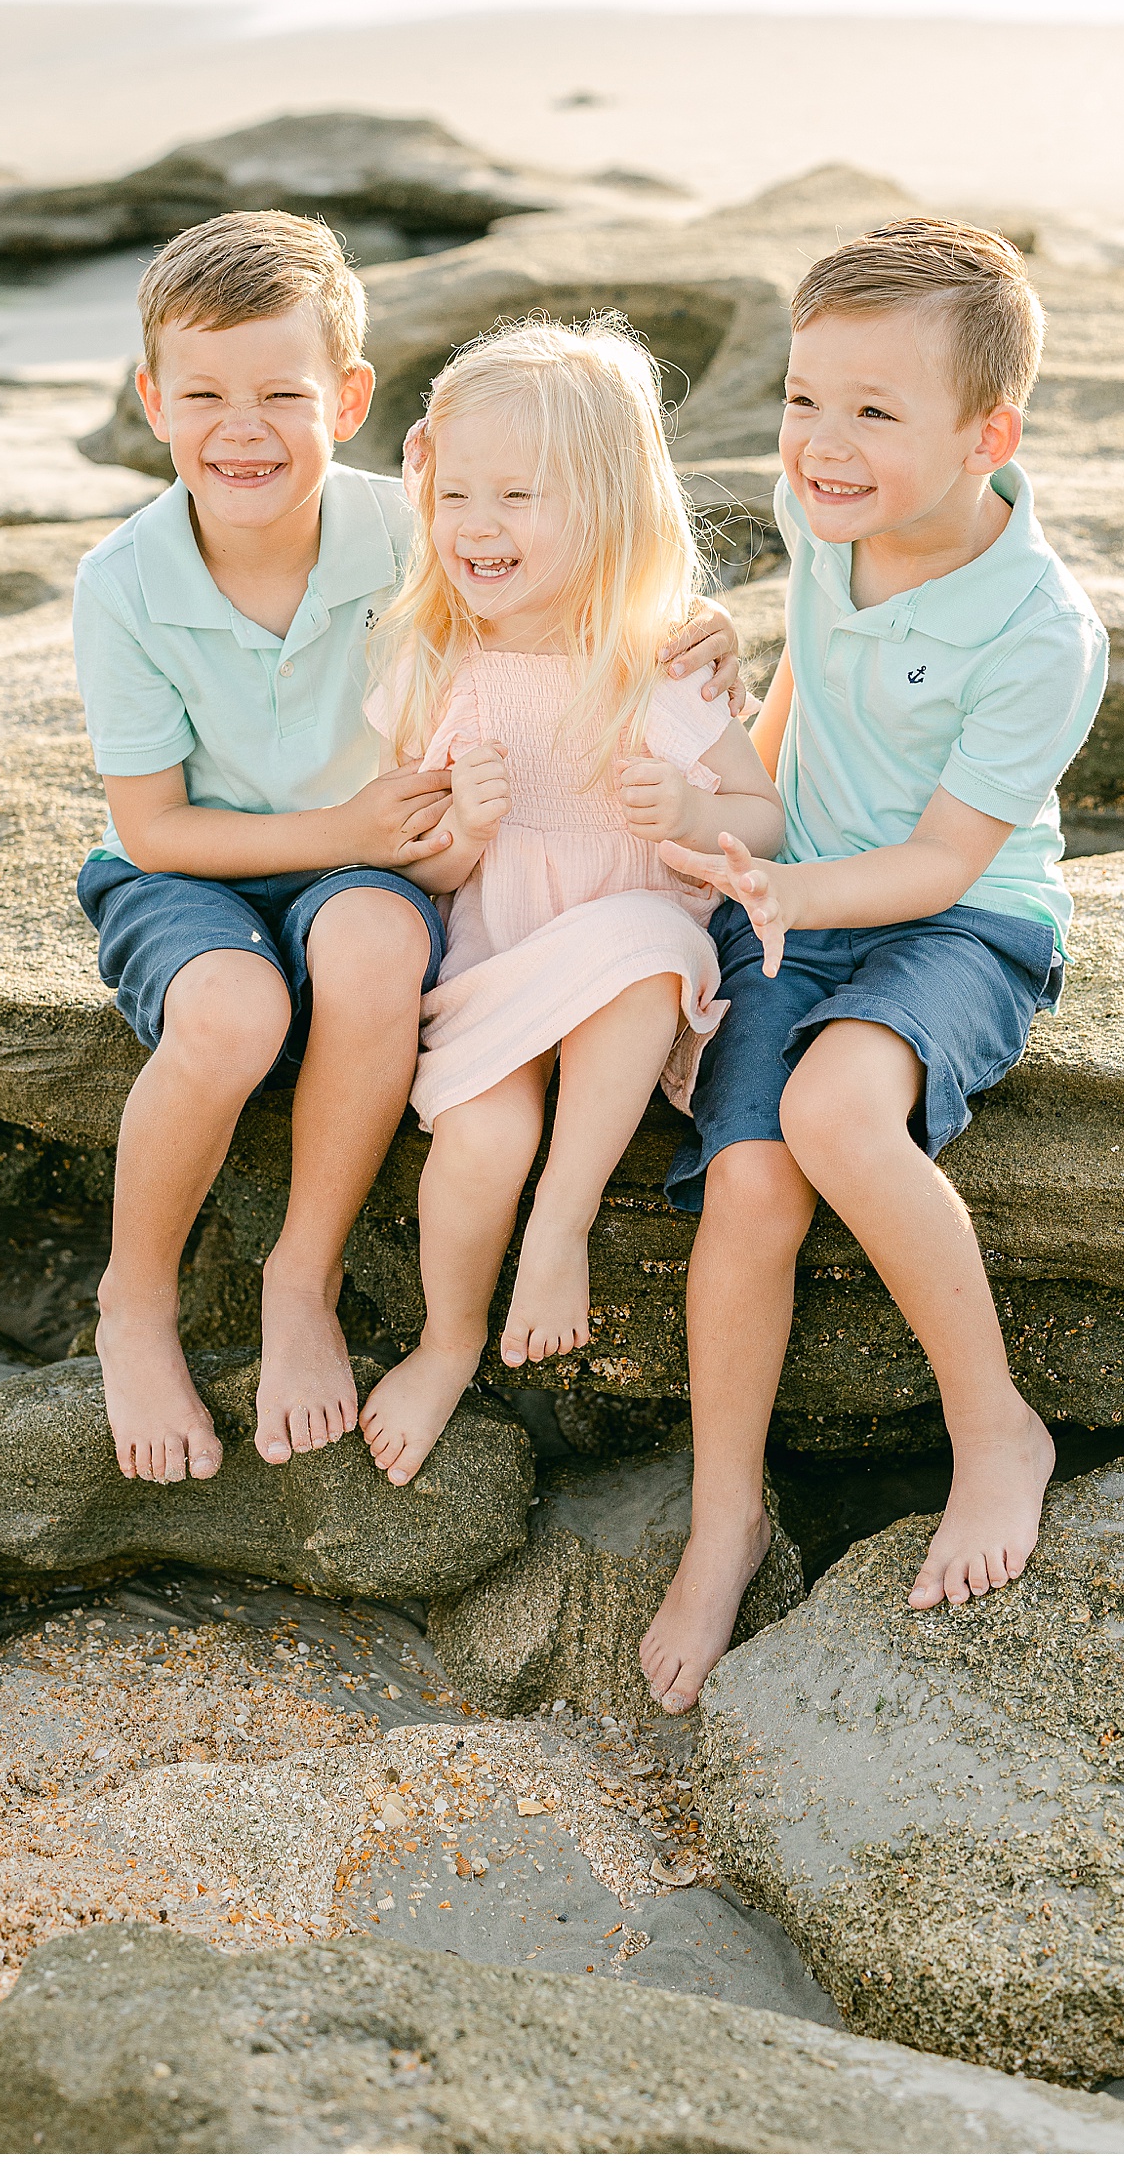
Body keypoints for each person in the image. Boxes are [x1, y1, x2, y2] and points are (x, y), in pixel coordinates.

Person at [70, 214, 743, 1484]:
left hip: (366, 871)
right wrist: (349, 829)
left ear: (352, 398)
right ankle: (135, 1302)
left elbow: (577, 565)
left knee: (378, 940)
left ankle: (301, 1275)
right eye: (204, 393)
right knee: (228, 1016)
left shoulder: (413, 525)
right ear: (152, 401)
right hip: (189, 866)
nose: (243, 427)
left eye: (283, 391)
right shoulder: (124, 582)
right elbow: (153, 825)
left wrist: (697, 624)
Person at [641, 219, 1110, 1713]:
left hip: (959, 920)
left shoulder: (1040, 630)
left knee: (841, 1114)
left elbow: (942, 866)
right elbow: (801, 702)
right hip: (797, 887)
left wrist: (779, 884)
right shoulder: (819, 517)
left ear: (991, 434)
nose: (822, 447)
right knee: (757, 1176)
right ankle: (727, 1518)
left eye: (873, 412)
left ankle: (997, 1432)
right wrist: (730, 805)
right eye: (802, 400)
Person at [355, 317, 784, 1488]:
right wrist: (466, 833)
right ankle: (448, 1341)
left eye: (518, 496)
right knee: (479, 1138)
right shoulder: (436, 665)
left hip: (621, 1003)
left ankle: (564, 1220)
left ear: (603, 505)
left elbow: (765, 820)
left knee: (648, 943)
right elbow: (416, 869)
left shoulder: (653, 666)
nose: (476, 527)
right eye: (455, 495)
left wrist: (696, 825)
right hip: (494, 967)